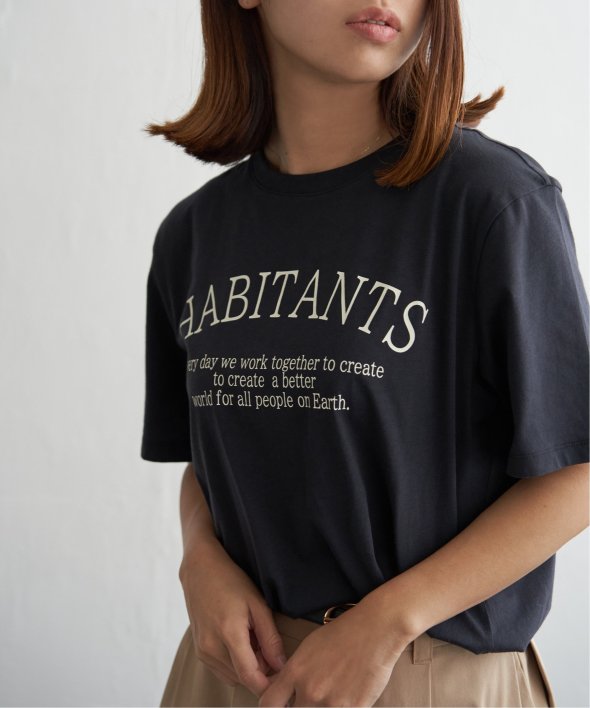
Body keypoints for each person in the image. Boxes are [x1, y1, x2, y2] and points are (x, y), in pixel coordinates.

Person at [140, 1, 589, 706]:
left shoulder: (493, 201)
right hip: (228, 674)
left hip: (417, 671)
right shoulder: (193, 234)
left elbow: (577, 467)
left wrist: (387, 622)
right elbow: (206, 456)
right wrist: (200, 560)